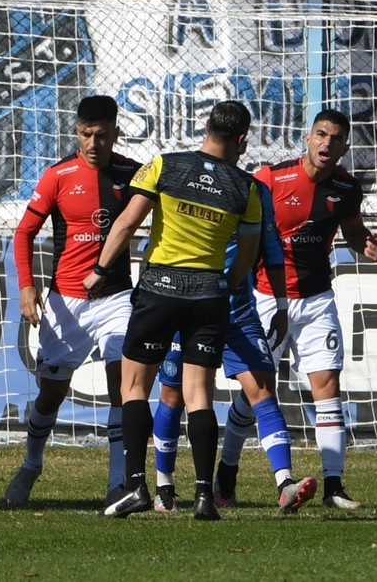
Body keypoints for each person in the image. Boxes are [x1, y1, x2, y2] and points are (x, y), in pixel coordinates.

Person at [85, 100, 263, 521]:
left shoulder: (164, 165)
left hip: (160, 289)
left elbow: (127, 223)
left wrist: (99, 269)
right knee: (199, 395)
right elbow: (247, 258)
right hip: (209, 296)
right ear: (241, 140)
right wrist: (227, 284)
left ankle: (135, 487)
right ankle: (204, 496)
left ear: (206, 126)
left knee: (133, 388)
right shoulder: (247, 188)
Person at [4, 95, 142, 507]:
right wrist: (27, 287)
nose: (93, 143)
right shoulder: (57, 176)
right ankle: (31, 464)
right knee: (51, 393)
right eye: (85, 134)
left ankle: (118, 483)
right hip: (66, 302)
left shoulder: (133, 175)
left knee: (124, 385)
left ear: (116, 132)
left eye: (101, 135)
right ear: (76, 132)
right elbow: (24, 233)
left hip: (116, 299)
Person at [249, 109, 377, 510]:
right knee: (254, 392)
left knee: (327, 389)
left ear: (344, 147)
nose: (327, 143)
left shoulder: (346, 189)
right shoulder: (270, 179)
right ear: (307, 139)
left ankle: (333, 487)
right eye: (321, 135)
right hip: (266, 297)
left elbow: (355, 234)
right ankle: (227, 469)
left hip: (317, 300)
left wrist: (370, 245)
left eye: (336, 138)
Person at [150, 179, 313, 514]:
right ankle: (164, 485)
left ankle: (285, 484)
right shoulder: (181, 178)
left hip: (238, 311)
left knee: (263, 390)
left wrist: (281, 306)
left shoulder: (253, 190)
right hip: (187, 307)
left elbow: (271, 247)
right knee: (173, 394)